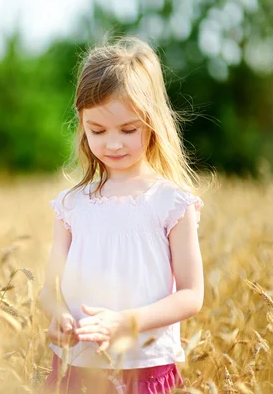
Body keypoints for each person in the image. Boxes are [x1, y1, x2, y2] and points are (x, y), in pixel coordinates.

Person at [38, 36, 208, 393]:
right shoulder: (71, 205)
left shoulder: (171, 202)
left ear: (153, 123)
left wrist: (125, 324)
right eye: (97, 130)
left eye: (128, 130)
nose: (112, 143)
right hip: (78, 365)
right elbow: (50, 288)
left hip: (144, 367)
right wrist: (58, 315)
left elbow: (192, 294)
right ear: (81, 124)